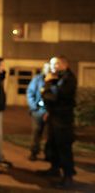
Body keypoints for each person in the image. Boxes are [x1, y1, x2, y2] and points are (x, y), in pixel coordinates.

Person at [39, 56, 77, 188]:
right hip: (55, 118)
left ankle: (68, 177)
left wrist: (47, 85)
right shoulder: (59, 78)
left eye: (54, 64)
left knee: (63, 147)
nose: (52, 67)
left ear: (63, 65)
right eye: (51, 64)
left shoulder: (68, 79)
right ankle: (54, 169)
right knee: (53, 145)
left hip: (63, 121)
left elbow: (54, 96)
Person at [26, 62, 50, 161]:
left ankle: (49, 154)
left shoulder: (55, 80)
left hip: (49, 111)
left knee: (49, 134)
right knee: (36, 132)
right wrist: (34, 107)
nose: (48, 70)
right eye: (47, 68)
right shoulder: (37, 79)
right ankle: (34, 152)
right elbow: (30, 93)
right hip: (38, 111)